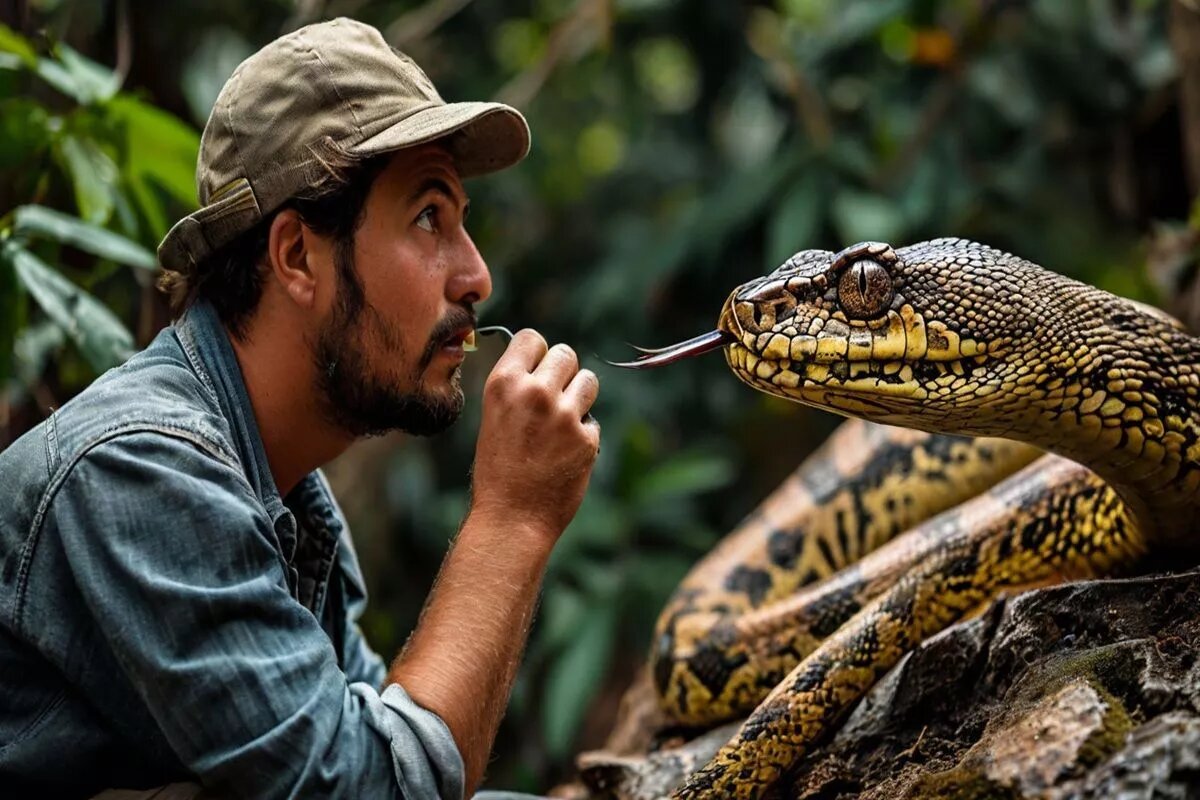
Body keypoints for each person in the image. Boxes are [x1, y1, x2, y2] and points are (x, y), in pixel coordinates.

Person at [0, 17, 601, 800]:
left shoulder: (292, 502)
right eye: (429, 218)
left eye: (462, 221)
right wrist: (512, 520)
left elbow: (393, 757)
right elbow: (371, 789)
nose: (476, 275)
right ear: (295, 256)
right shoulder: (140, 467)